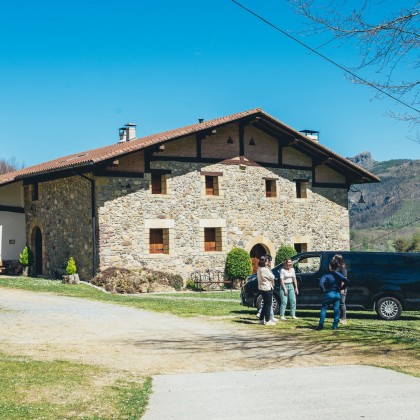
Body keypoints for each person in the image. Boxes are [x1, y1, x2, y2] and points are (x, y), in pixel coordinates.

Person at [317, 259, 349, 330]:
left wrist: (324, 290)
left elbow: (321, 283)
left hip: (329, 293)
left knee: (324, 309)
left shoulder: (326, 275)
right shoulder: (339, 275)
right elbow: (347, 281)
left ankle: (321, 325)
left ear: (330, 266)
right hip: (337, 294)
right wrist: (341, 288)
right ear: (337, 267)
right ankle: (335, 326)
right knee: (336, 310)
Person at [257, 255, 276, 326]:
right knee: (268, 305)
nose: (268, 262)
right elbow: (272, 277)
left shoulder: (259, 268)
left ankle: (261, 319)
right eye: (267, 261)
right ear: (265, 262)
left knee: (265, 304)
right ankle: (268, 320)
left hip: (261, 288)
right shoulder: (265, 269)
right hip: (267, 288)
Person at [333, 254, 348, 324]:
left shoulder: (342, 267)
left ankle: (344, 319)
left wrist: (342, 289)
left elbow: (344, 279)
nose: (333, 258)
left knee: (342, 303)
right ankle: (338, 318)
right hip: (337, 287)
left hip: (342, 287)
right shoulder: (337, 267)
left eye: (334, 257)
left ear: (337, 259)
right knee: (337, 303)